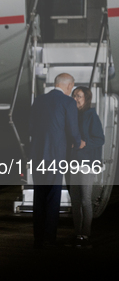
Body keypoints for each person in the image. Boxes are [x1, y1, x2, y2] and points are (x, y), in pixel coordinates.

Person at [30, 73, 83, 248]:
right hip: (55, 156)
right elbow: (73, 129)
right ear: (69, 86)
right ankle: (49, 238)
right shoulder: (68, 102)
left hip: (38, 155)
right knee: (53, 197)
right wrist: (78, 142)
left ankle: (37, 238)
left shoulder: (39, 100)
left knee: (39, 197)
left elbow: (30, 126)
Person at [70, 86, 104, 248]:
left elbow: (100, 139)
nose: (76, 98)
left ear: (86, 99)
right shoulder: (72, 115)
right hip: (73, 163)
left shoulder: (91, 115)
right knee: (75, 201)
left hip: (87, 163)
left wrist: (85, 144)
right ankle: (78, 233)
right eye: (74, 95)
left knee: (85, 200)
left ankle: (86, 233)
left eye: (79, 96)